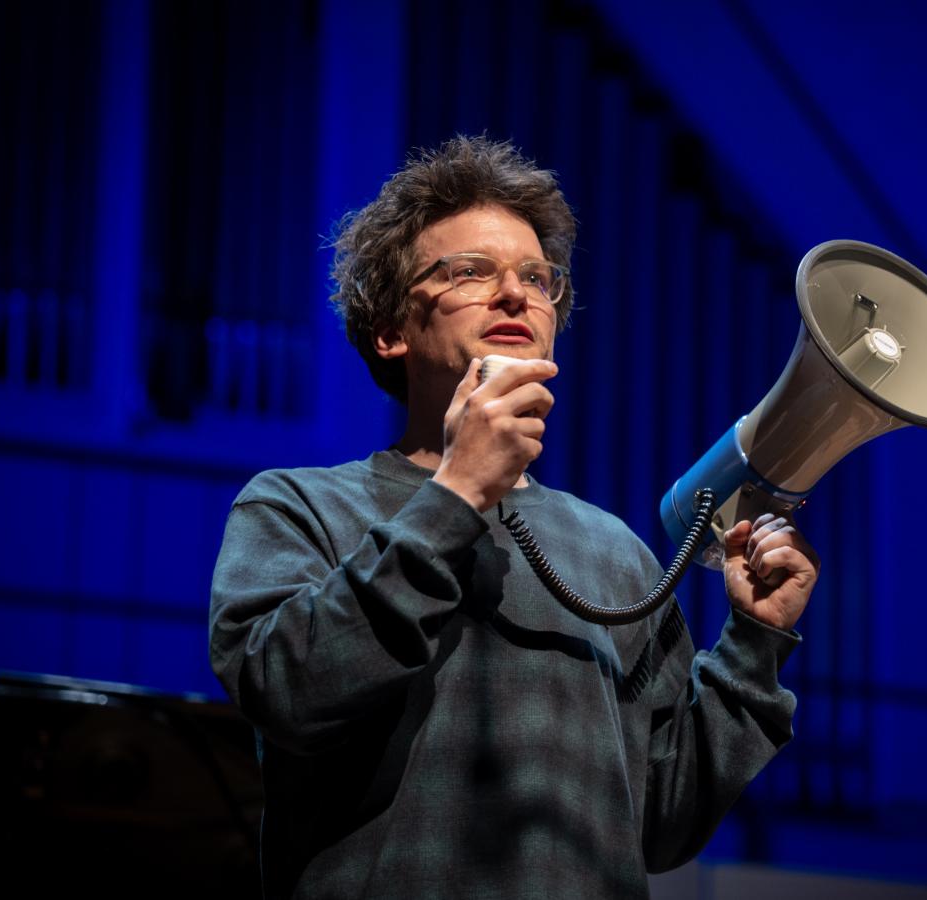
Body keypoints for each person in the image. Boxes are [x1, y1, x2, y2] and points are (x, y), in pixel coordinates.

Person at [208, 135, 819, 899]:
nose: (515, 295)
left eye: (537, 278)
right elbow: (287, 694)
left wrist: (754, 644)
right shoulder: (298, 505)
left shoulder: (612, 551)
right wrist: (456, 496)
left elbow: (659, 825)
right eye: (471, 272)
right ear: (392, 330)